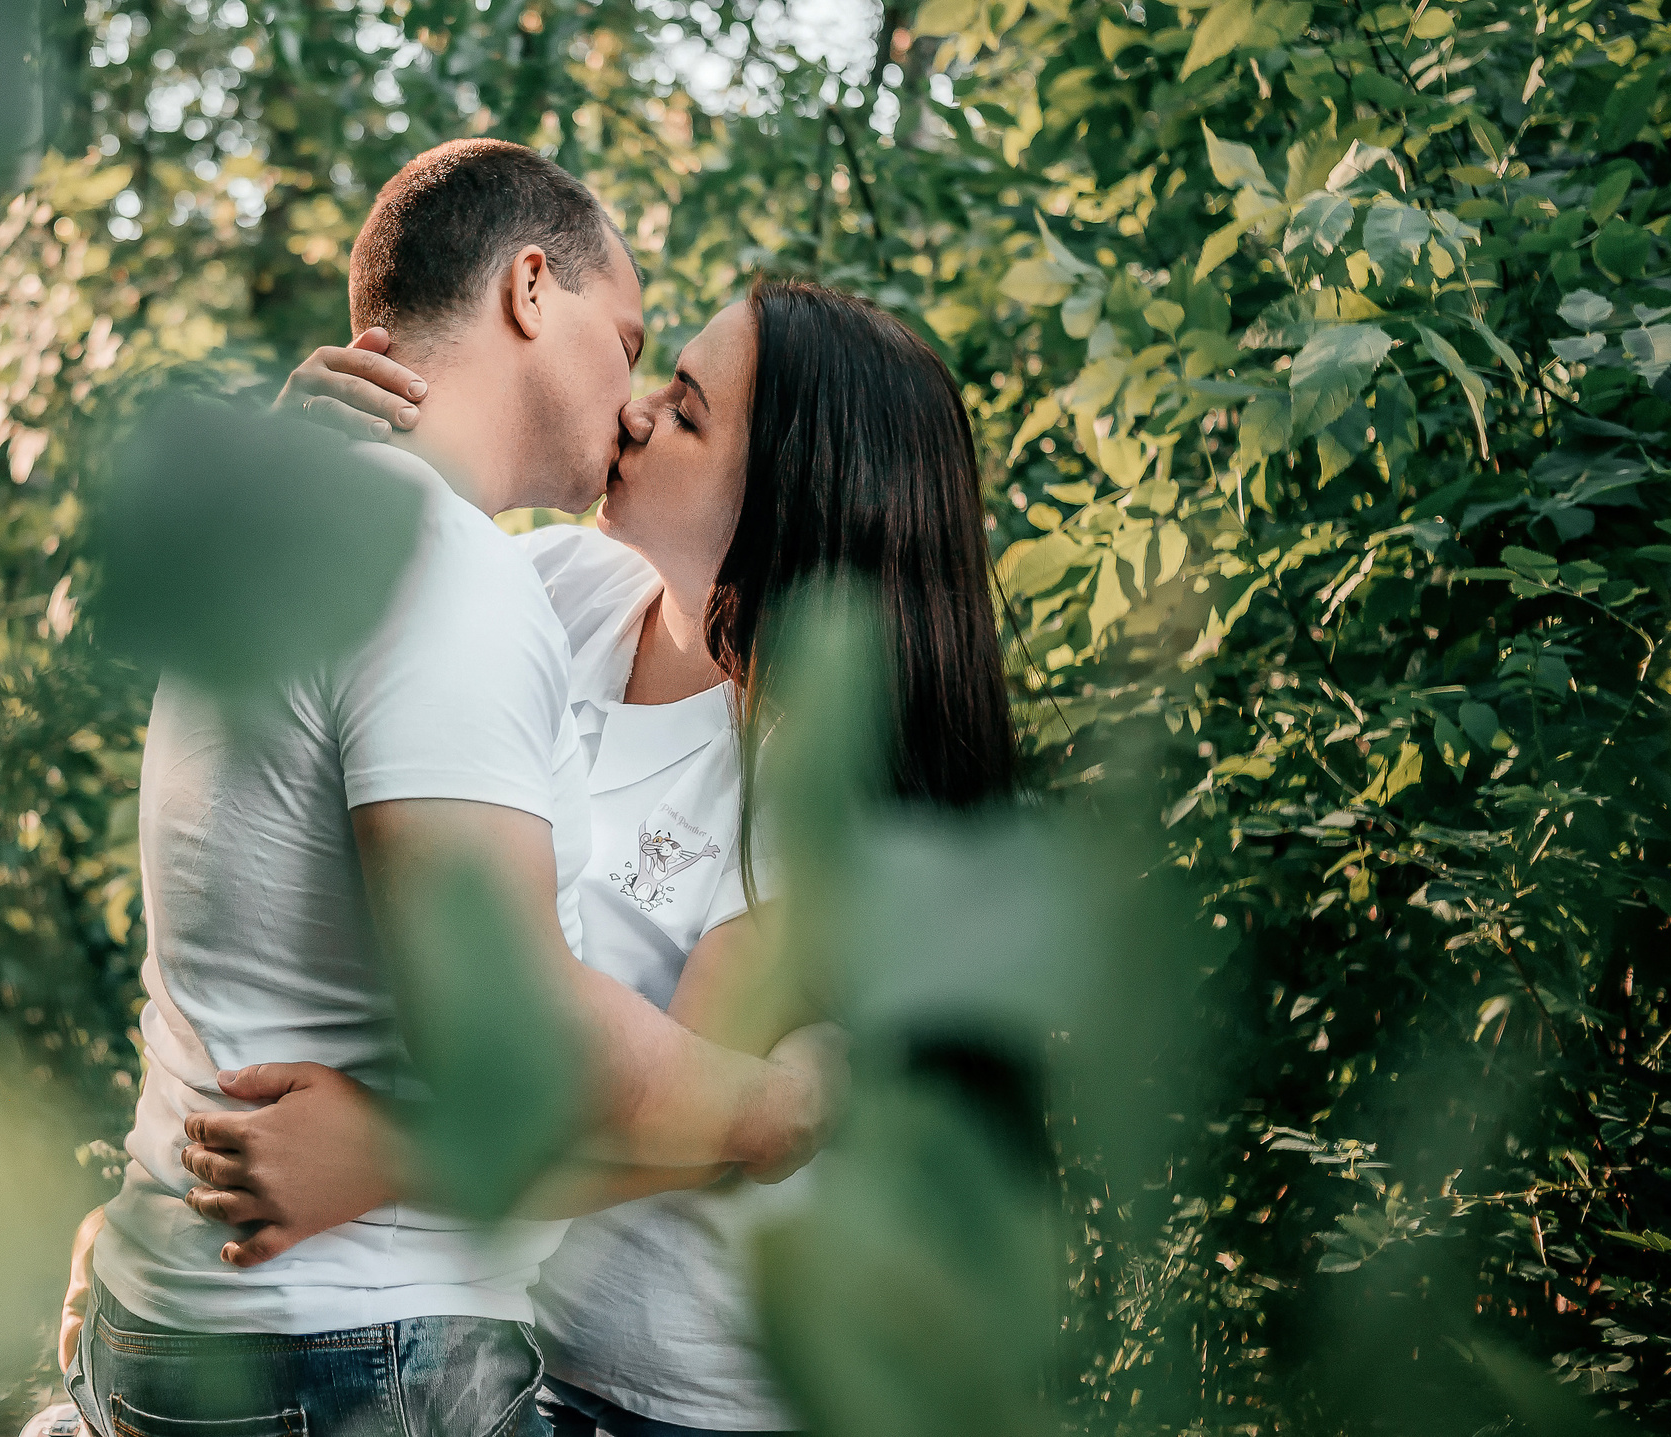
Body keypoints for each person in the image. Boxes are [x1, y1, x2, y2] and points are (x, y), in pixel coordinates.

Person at [62, 140, 845, 1437]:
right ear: (532, 289)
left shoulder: (354, 547)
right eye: (633, 339)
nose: (636, 401)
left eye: (685, 399)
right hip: (349, 1348)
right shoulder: (468, 578)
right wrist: (780, 1105)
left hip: (291, 1328)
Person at [178, 277, 1019, 1436]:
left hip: (677, 1388)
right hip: (495, 1335)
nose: (633, 411)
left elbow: (693, 1130)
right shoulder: (556, 593)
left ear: (789, 497)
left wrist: (382, 1162)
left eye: (685, 409)